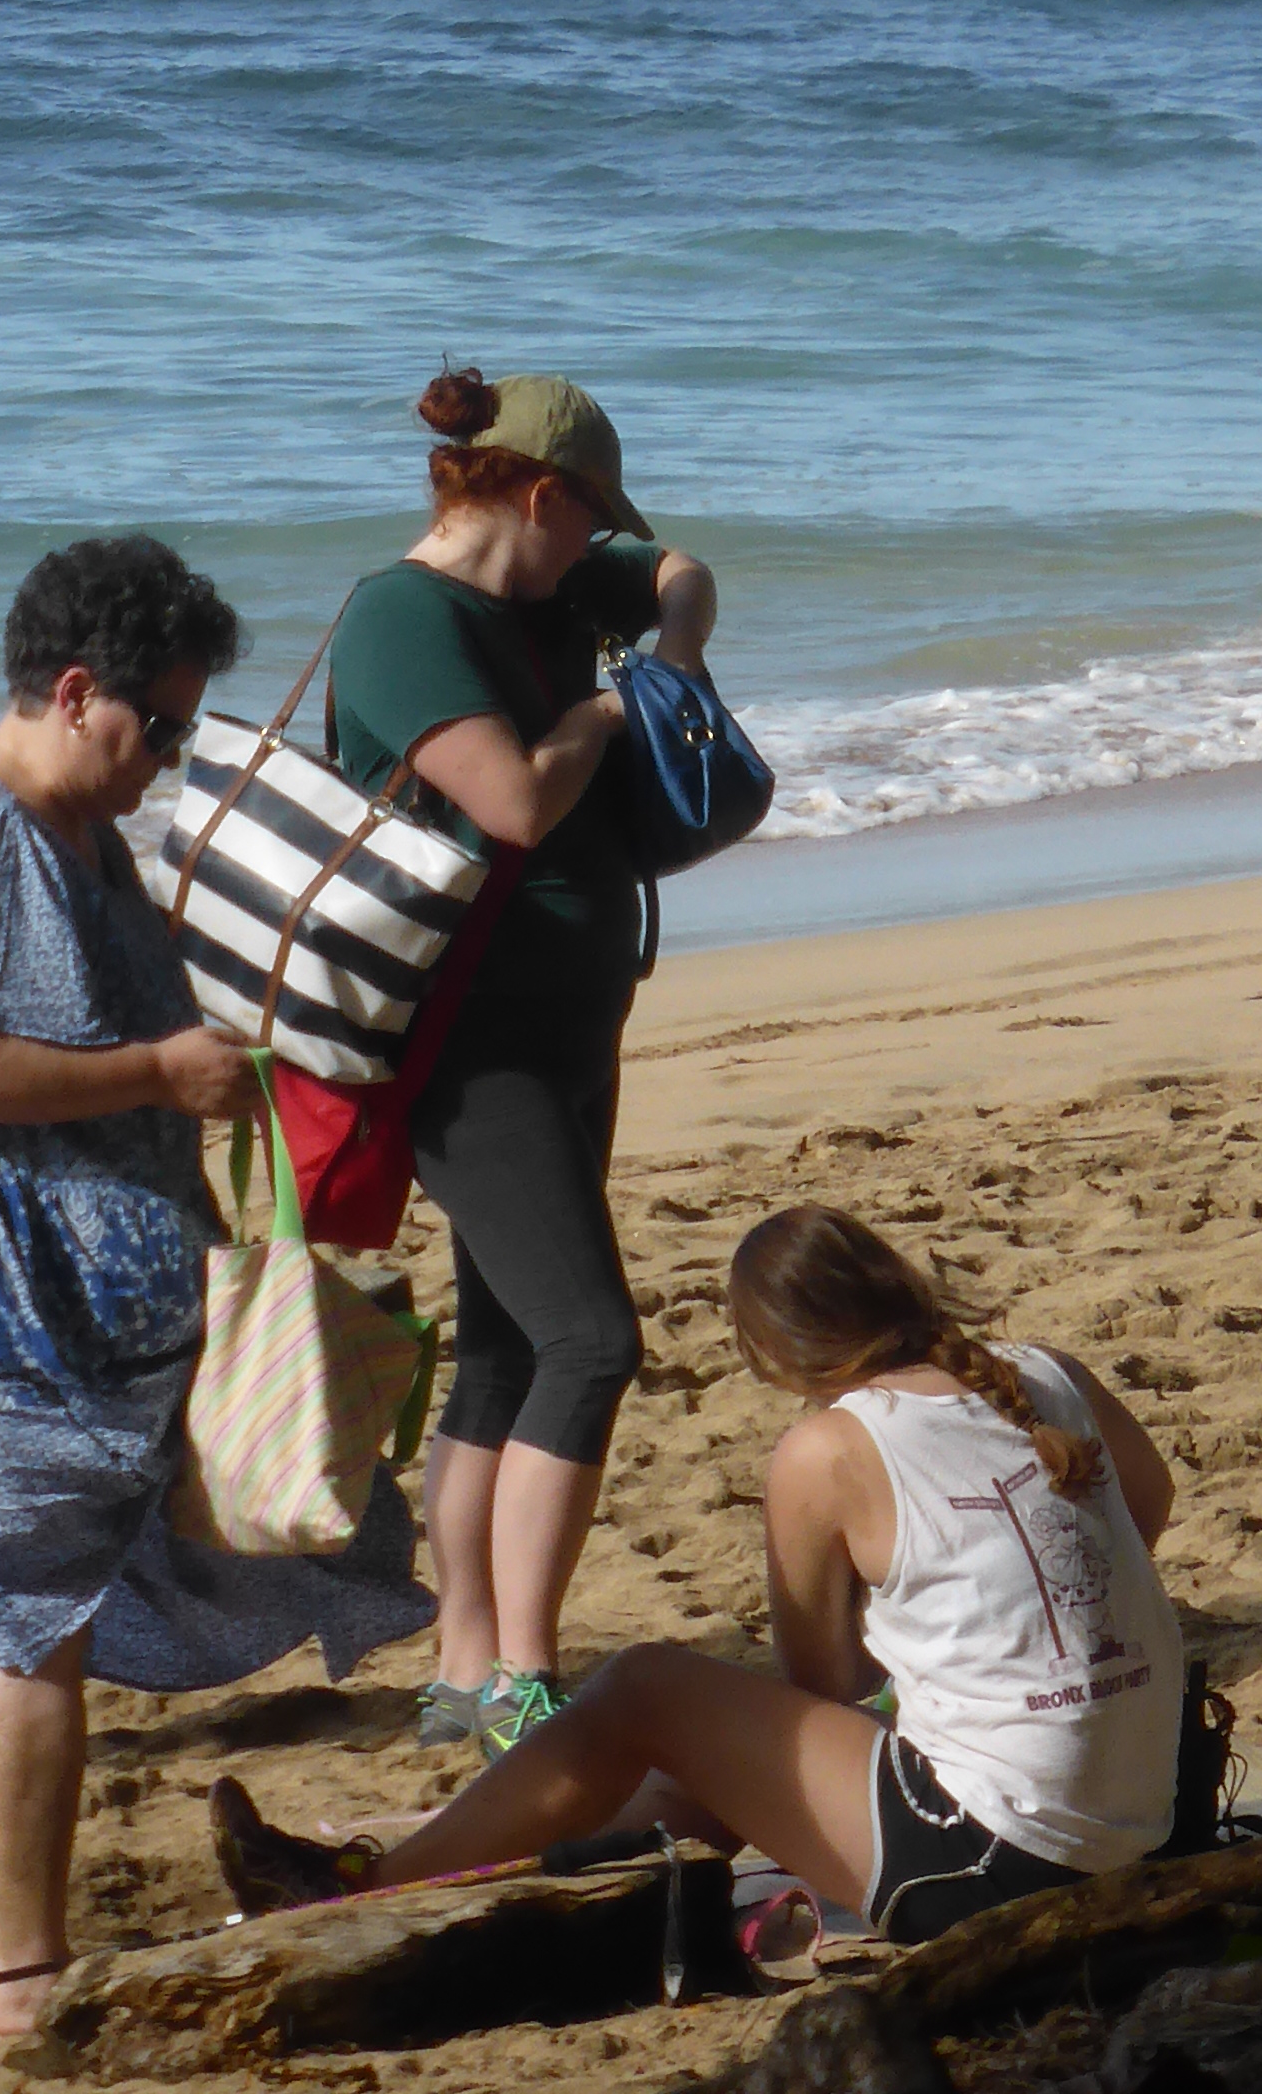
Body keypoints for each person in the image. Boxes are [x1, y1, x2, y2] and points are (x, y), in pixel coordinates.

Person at [0, 534, 427, 2038]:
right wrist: (155, 1074)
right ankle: (25, 1971)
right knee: (24, 1627)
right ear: (75, 694)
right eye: (160, 726)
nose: (169, 757)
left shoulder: (66, 829)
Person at [212, 1203, 1183, 1947]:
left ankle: (366, 1884)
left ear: (774, 1353)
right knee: (709, 1761)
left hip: (991, 1864)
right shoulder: (1045, 1372)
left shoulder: (830, 1450)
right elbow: (1149, 1503)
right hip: (1144, 1816)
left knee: (648, 1689)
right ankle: (513, 1856)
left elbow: (820, 1688)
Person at [322, 366, 720, 1755]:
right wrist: (615, 710)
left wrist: (671, 644)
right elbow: (515, 801)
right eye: (589, 516)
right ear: (540, 495)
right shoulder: (402, 618)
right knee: (589, 1340)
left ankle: (464, 1666)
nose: (598, 543)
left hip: (569, 1025)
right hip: (467, 1043)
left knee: (502, 1348)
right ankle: (521, 1679)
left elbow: (682, 572)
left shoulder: (552, 589)